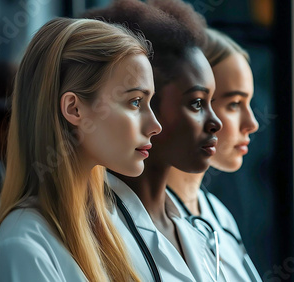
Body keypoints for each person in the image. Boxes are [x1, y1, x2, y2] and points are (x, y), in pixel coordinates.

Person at [0, 17, 161, 281]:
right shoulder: (23, 244)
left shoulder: (116, 222)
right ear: (74, 108)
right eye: (134, 102)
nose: (155, 125)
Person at [84, 0, 230, 281]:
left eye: (211, 101)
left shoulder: (196, 225)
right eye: (197, 103)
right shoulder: (89, 232)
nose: (216, 122)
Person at [166, 28, 262, 281]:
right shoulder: (141, 217)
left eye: (248, 103)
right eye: (233, 104)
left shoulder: (218, 215)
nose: (252, 123)